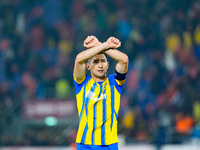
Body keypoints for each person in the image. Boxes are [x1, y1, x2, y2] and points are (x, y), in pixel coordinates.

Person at [73, 35, 128, 150]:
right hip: (85, 144)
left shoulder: (115, 83)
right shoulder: (82, 83)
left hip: (109, 144)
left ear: (108, 65)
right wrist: (105, 45)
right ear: (88, 66)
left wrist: (99, 45)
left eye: (103, 61)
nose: (100, 65)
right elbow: (79, 58)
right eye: (96, 61)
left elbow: (124, 60)